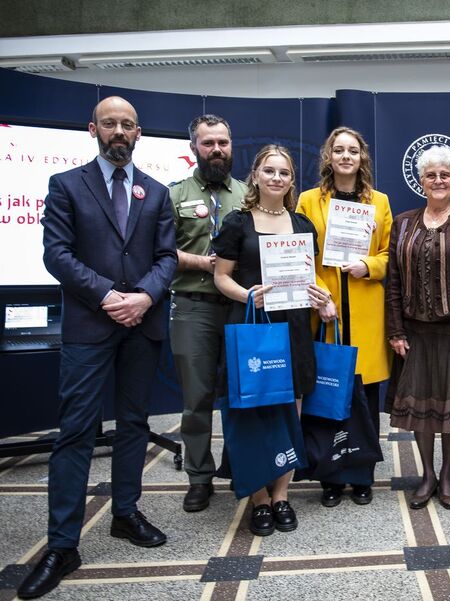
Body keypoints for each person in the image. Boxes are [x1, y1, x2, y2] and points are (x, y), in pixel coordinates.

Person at [19, 96, 177, 600]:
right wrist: (109, 296)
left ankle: (125, 514)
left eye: (127, 125)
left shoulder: (156, 192)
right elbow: (56, 254)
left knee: (133, 424)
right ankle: (63, 545)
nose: (119, 131)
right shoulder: (66, 185)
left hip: (142, 325)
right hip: (90, 326)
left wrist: (145, 296)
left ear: (138, 133)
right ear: (93, 129)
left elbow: (167, 257)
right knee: (76, 433)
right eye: (110, 123)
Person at [212, 145, 318, 536]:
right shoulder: (237, 223)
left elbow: (307, 277)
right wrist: (248, 296)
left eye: (284, 172)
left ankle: (281, 495)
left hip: (293, 327)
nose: (276, 178)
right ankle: (258, 498)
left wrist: (320, 296)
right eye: (269, 171)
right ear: (255, 175)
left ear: (292, 181)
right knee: (251, 412)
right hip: (252, 326)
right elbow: (221, 277)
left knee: (292, 409)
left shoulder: (303, 225)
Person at [385, 144, 450, 510]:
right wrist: (395, 330)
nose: (438, 180)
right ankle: (427, 474)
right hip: (413, 332)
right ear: (421, 181)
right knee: (420, 409)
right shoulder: (403, 222)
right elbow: (393, 281)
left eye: (445, 174)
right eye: (431, 175)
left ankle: (447, 475)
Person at [299, 127, 393, 507]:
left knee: (365, 399)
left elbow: (389, 254)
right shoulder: (308, 201)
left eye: (353, 150)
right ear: (329, 156)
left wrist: (367, 265)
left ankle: (362, 475)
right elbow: (301, 253)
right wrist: (321, 295)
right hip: (326, 309)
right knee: (328, 393)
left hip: (366, 309)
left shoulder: (379, 202)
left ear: (362, 157)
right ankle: (331, 477)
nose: (346, 156)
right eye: (338, 150)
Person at [168, 114, 247, 512]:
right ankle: (199, 477)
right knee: (196, 398)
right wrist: (205, 264)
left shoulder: (249, 195)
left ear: (231, 146)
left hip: (238, 308)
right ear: (194, 148)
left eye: (223, 143)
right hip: (193, 307)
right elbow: (159, 252)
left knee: (241, 395)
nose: (217, 150)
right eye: (208, 143)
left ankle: (241, 468)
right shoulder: (174, 195)